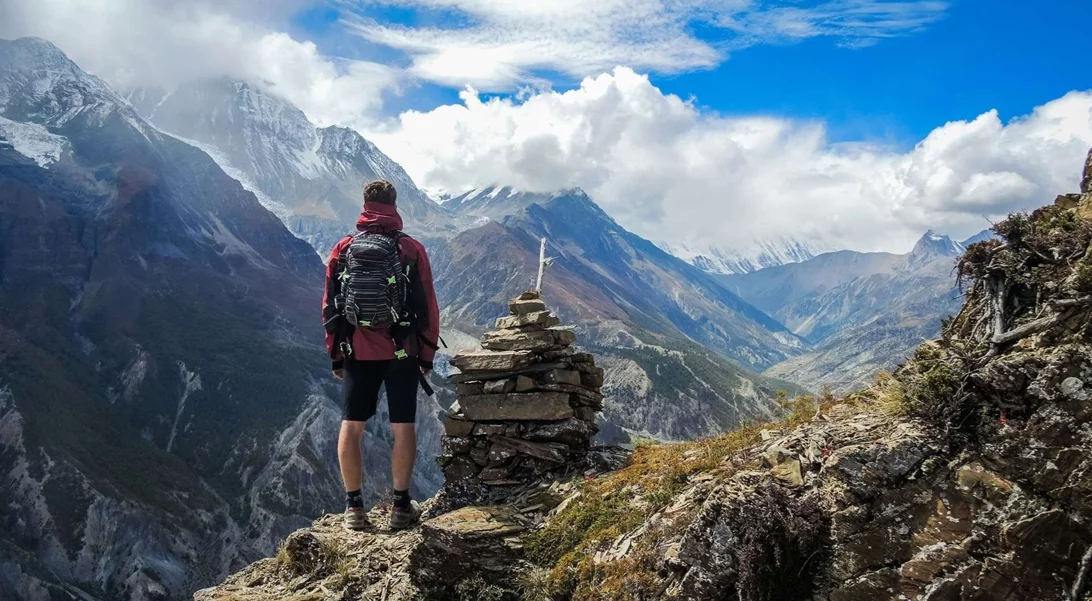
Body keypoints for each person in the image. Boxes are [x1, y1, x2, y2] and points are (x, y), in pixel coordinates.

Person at [321, 179, 440, 531]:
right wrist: (427, 355)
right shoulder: (411, 249)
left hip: (357, 350)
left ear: (364, 205)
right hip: (402, 352)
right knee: (403, 428)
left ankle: (354, 509)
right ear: (395, 205)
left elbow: (329, 307)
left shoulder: (343, 248)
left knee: (352, 427)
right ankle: (401, 506)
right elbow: (428, 307)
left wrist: (336, 355)